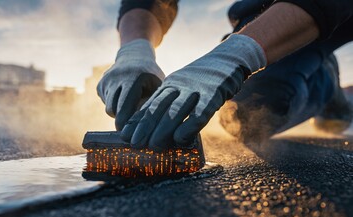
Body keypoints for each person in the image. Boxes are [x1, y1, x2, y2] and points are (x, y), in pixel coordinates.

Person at [97, 0, 353, 151]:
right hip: (270, 8)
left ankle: (326, 85)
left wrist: (237, 54)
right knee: (244, 112)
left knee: (260, 101)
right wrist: (134, 49)